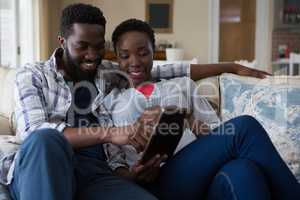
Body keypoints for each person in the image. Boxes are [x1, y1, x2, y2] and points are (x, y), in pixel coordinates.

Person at [0, 3, 271, 200]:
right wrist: (110, 132)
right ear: (62, 41)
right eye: (83, 46)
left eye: (98, 46)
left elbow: (170, 70)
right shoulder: (33, 75)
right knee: (47, 140)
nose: (92, 55)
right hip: (47, 164)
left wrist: (233, 66)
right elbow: (33, 131)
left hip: (96, 174)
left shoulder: (107, 72)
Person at [99, 18, 300, 200]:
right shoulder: (110, 102)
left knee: (243, 171)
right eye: (125, 56)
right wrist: (133, 175)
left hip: (197, 171)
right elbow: (115, 164)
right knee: (244, 126)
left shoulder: (182, 85)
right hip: (155, 183)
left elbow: (219, 134)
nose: (134, 62)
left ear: (154, 52)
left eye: (143, 53)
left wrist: (186, 121)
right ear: (117, 59)